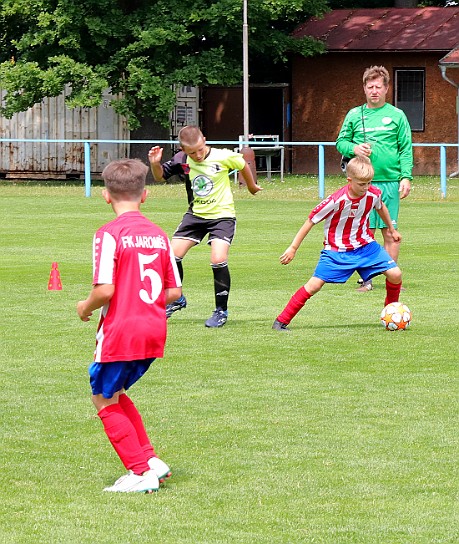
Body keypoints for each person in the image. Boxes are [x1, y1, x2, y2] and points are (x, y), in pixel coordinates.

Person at [77, 158, 182, 493]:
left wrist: (84, 306)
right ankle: (150, 460)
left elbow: (105, 289)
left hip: (121, 329)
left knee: (102, 398)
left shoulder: (109, 234)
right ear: (145, 195)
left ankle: (139, 473)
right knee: (116, 393)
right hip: (153, 329)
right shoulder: (160, 234)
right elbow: (174, 291)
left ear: (106, 196)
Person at [148, 125, 262, 328]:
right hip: (195, 216)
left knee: (218, 259)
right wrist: (155, 164)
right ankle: (176, 298)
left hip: (222, 217)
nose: (198, 155)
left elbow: (242, 162)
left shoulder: (222, 156)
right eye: (192, 152)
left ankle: (221, 311)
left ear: (205, 140)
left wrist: (251, 186)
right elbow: (159, 177)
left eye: (200, 149)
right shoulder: (181, 160)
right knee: (171, 256)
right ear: (183, 150)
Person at [272, 156, 403, 332]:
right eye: (361, 184)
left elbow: (381, 207)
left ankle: (391, 313)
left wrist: (391, 229)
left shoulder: (373, 193)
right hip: (337, 251)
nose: (366, 188)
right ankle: (281, 321)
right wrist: (293, 248)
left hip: (365, 246)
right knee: (314, 285)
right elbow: (311, 220)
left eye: (368, 183)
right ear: (350, 180)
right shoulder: (336, 200)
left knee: (395, 274)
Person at [336, 65, 413, 292]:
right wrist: (355, 148)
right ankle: (366, 280)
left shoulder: (397, 116)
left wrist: (406, 177)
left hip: (390, 183)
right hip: (361, 185)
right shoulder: (354, 114)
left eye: (378, 86)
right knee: (362, 232)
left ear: (387, 88)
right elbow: (341, 142)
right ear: (364, 88)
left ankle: (391, 278)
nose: (374, 91)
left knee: (390, 232)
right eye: (370, 87)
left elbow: (406, 149)